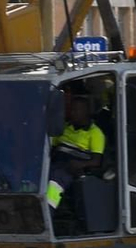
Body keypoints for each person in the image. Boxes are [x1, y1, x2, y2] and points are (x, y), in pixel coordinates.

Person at [46, 88, 108, 232]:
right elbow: (51, 146)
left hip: (73, 167)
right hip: (56, 162)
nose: (72, 113)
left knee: (55, 182)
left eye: (76, 110)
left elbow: (96, 161)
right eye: (71, 110)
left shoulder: (95, 133)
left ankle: (47, 213)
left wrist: (80, 164)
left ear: (86, 112)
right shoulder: (64, 128)